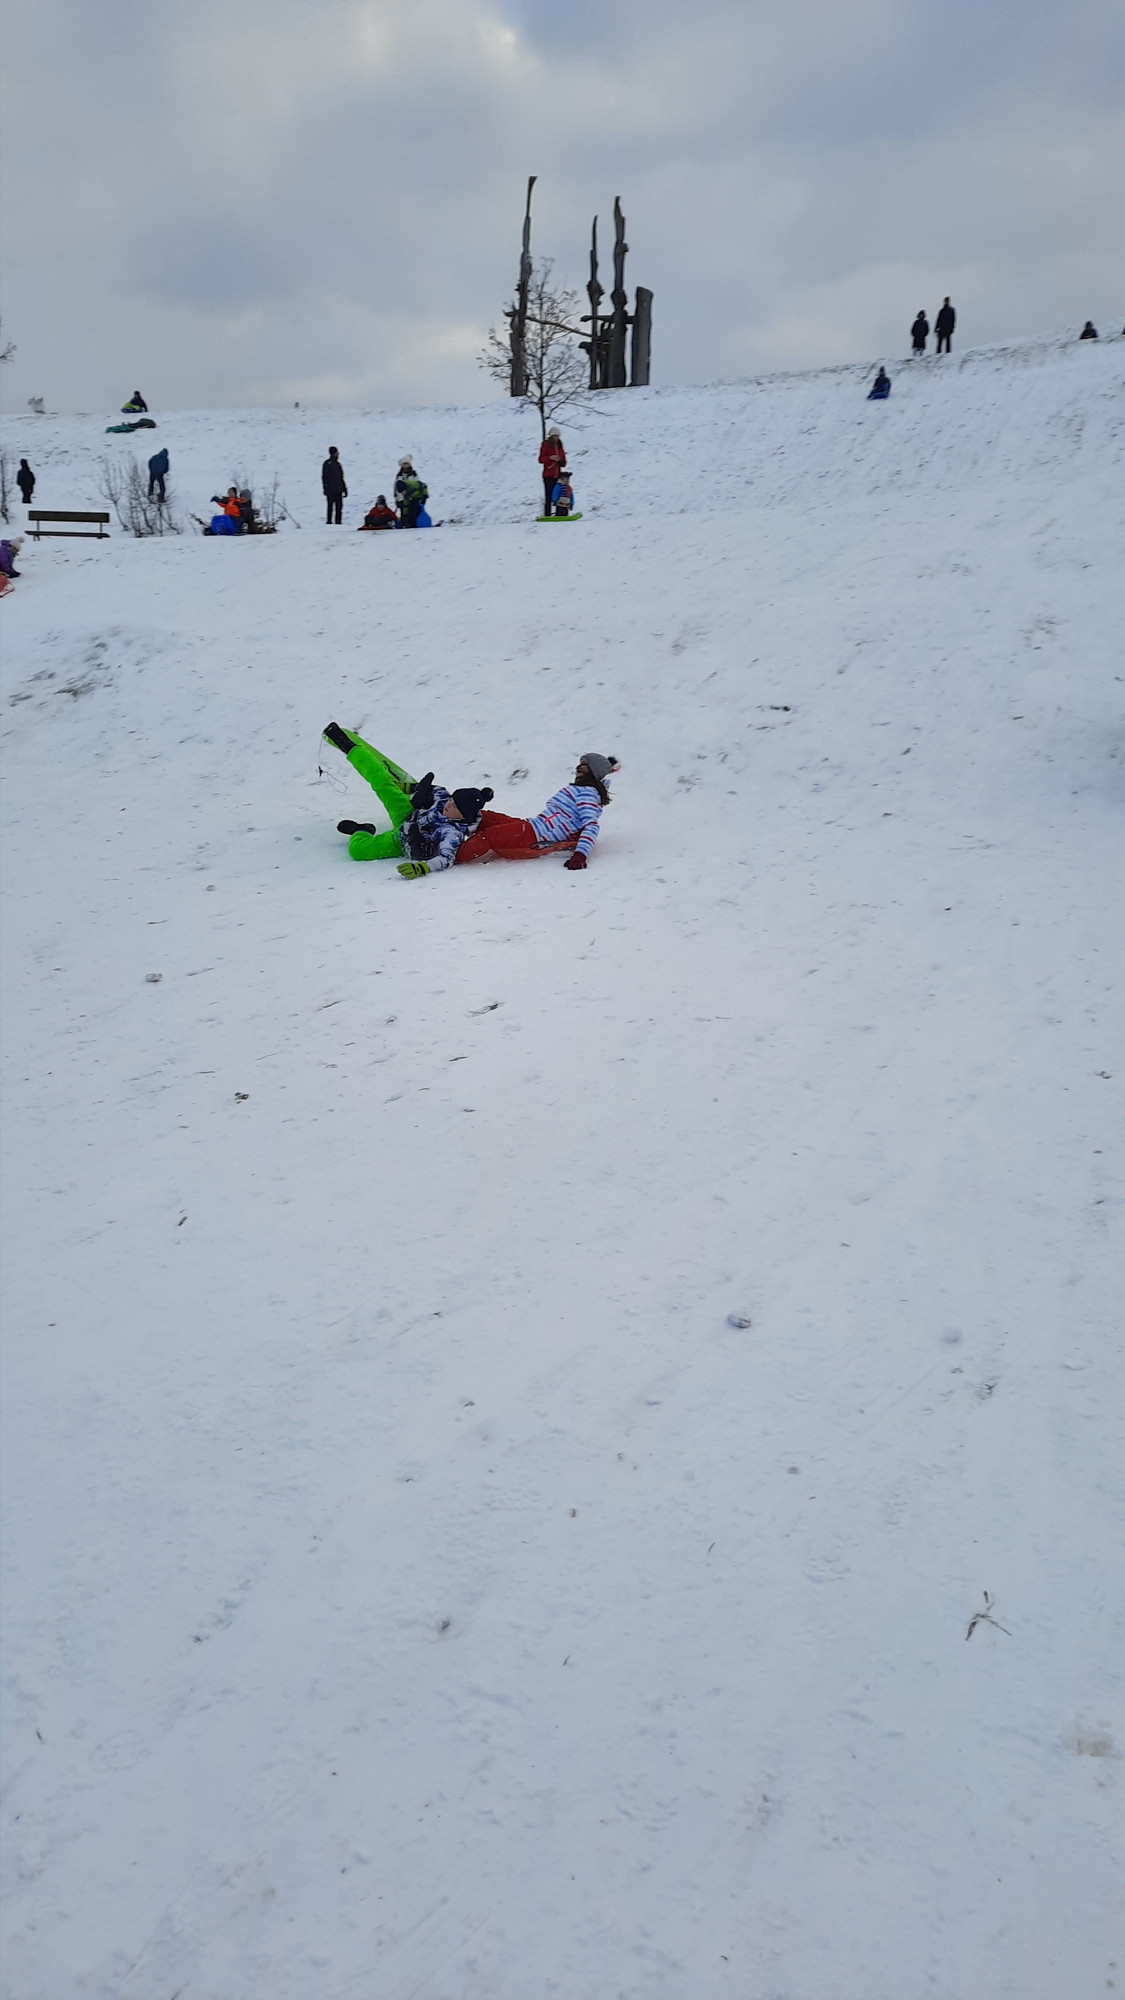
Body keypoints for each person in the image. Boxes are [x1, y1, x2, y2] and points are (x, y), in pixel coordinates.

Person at [321, 724, 493, 870]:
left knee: (358, 851)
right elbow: (434, 790)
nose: (448, 804)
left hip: (402, 842)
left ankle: (363, 830)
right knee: (382, 781)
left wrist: (422, 868)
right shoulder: (443, 798)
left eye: (454, 806)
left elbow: (446, 859)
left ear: (462, 816)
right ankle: (348, 746)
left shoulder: (452, 833)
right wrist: (407, 788)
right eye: (451, 800)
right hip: (406, 814)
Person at [454, 754, 620, 872]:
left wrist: (580, 855)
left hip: (535, 836)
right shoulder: (582, 790)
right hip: (531, 826)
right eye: (579, 767)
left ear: (594, 773)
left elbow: (591, 826)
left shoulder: (588, 794)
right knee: (487, 817)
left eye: (584, 767)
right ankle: (448, 823)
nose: (578, 769)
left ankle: (450, 855)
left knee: (490, 835)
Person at [538, 429, 566, 513]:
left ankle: (559, 513)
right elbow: (541, 459)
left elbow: (564, 462)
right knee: (549, 495)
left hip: (558, 475)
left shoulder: (559, 446)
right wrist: (550, 457)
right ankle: (547, 513)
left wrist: (560, 460)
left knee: (559, 495)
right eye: (555, 436)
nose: (556, 438)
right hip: (548, 475)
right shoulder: (546, 445)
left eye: (557, 436)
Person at [395, 458, 428, 528]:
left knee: (414, 512)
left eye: (407, 464)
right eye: (404, 464)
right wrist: (398, 499)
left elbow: (417, 485)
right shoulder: (399, 476)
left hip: (414, 497)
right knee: (404, 512)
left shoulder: (414, 474)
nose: (405, 466)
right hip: (403, 496)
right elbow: (397, 488)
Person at [322, 447, 347, 524]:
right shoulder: (327, 464)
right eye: (337, 453)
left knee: (339, 508)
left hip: (339, 490)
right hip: (331, 490)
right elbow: (324, 477)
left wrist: (344, 489)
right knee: (330, 507)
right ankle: (329, 522)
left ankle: (338, 522)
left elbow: (341, 478)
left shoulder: (338, 464)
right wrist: (325, 488)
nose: (338, 455)